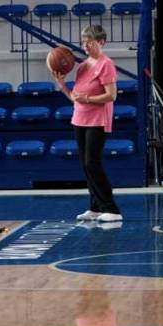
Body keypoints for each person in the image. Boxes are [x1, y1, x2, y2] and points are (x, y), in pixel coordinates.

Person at [53, 25, 122, 222]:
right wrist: (63, 86)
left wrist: (89, 100)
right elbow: (76, 99)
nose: (85, 45)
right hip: (79, 119)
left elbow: (111, 95)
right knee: (86, 165)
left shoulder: (106, 64)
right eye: (83, 42)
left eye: (89, 42)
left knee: (93, 163)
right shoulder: (82, 66)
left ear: (101, 42)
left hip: (98, 120)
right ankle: (96, 207)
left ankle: (112, 209)